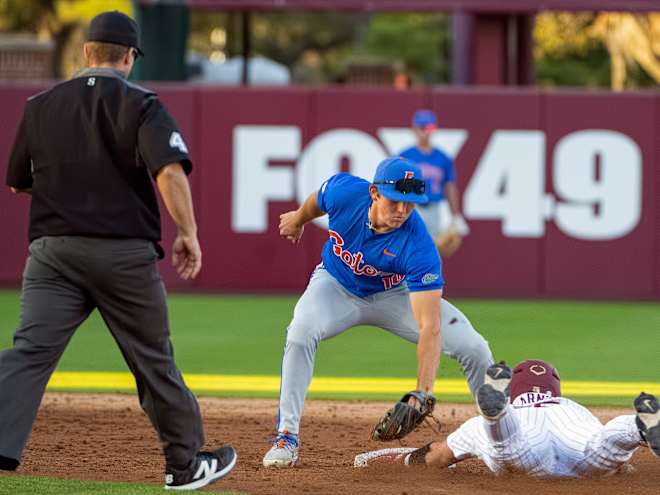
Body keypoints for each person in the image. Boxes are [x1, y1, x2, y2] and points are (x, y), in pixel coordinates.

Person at [0, 11, 236, 490]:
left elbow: (18, 183)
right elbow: (169, 172)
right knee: (152, 360)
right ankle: (185, 466)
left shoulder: (39, 105)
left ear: (86, 51)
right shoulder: (142, 104)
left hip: (52, 254)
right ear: (129, 57)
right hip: (122, 255)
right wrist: (187, 232)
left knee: (28, 354)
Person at [262, 156, 494, 468]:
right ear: (374, 193)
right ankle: (286, 436)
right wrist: (299, 218)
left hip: (394, 295)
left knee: (475, 348)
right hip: (335, 285)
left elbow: (430, 326)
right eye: (395, 201)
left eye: (410, 204)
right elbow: (317, 200)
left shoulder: (418, 244)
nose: (402, 211)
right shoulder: (345, 192)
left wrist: (422, 393)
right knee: (300, 333)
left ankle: (500, 438)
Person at [355, 360, 660, 477]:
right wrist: (622, 465)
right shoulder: (571, 406)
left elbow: (438, 456)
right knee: (604, 445)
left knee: (513, 448)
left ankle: (497, 415)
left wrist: (408, 460)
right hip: (576, 444)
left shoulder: (476, 426)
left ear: (513, 391)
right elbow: (619, 464)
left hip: (527, 443)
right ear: (554, 388)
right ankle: (638, 426)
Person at [399, 109, 469, 255]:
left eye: (429, 127)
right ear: (414, 129)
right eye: (422, 127)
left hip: (435, 208)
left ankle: (427, 277)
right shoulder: (405, 156)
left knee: (432, 251)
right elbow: (396, 186)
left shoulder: (442, 157)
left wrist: (455, 214)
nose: (425, 131)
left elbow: (449, 186)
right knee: (409, 249)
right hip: (412, 207)